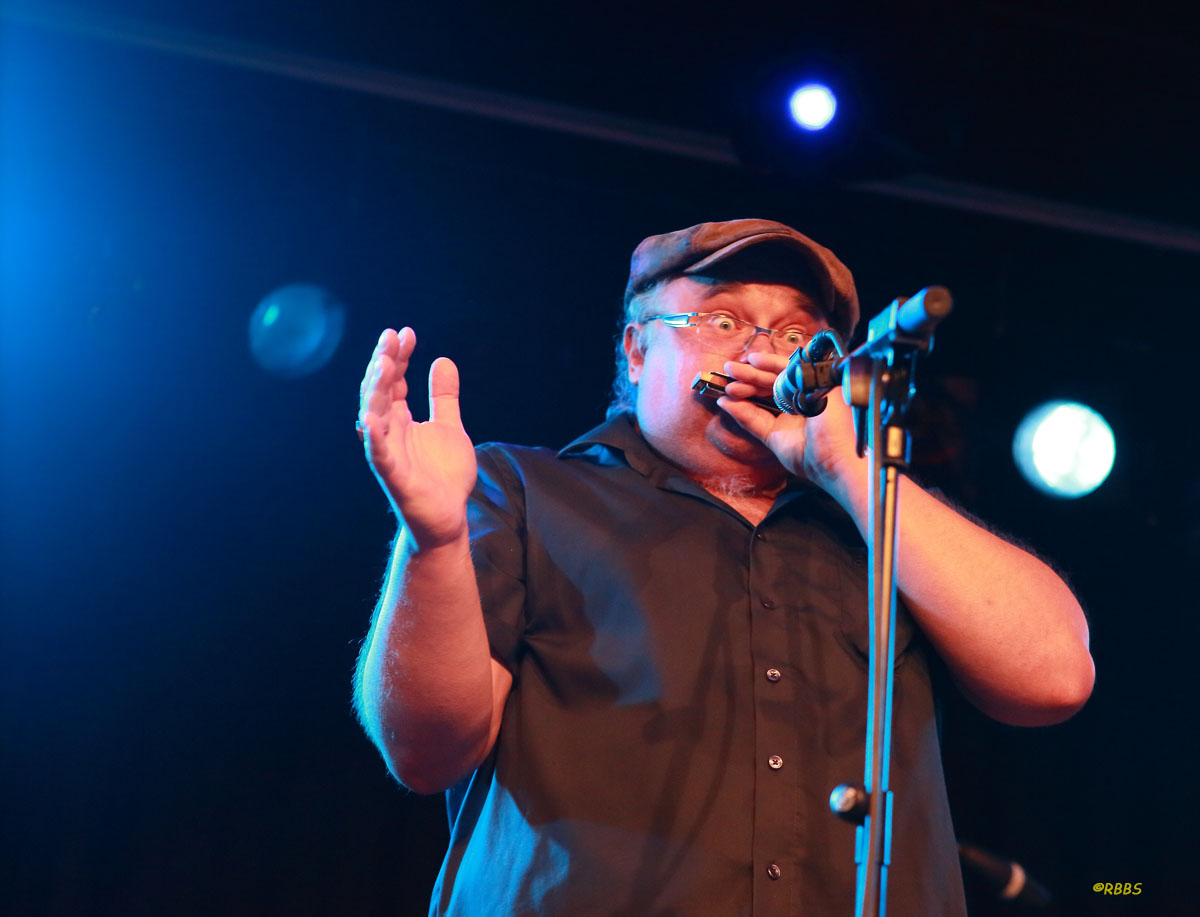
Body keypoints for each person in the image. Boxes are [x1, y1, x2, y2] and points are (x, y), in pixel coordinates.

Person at [352, 219, 1094, 916]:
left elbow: (1055, 678)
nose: (761, 352)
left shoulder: (883, 522)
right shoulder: (525, 490)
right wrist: (434, 542)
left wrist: (849, 471)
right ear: (637, 351)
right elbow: (426, 752)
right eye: (724, 321)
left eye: (797, 335)